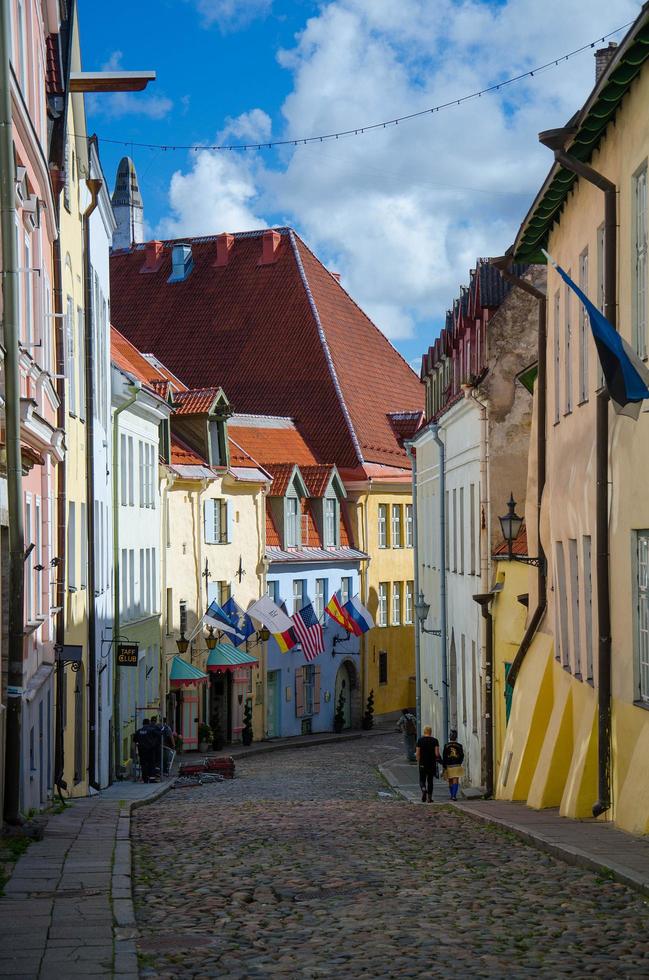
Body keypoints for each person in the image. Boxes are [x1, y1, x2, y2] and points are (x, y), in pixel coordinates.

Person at [416, 725, 441, 802]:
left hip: (423, 763)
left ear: (424, 732)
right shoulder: (435, 741)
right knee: (430, 780)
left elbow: (417, 753)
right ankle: (429, 798)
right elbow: (437, 754)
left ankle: (423, 789)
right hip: (431, 763)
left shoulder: (420, 741)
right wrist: (439, 760)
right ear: (430, 732)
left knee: (422, 779)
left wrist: (418, 761)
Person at [133, 718, 160, 783]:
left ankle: (145, 779)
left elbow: (134, 741)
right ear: (149, 723)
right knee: (151, 764)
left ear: (143, 724)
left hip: (141, 751)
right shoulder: (151, 730)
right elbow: (159, 734)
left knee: (143, 764)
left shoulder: (138, 731)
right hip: (150, 750)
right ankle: (152, 778)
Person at [442, 729, 465, 801]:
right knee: (456, 780)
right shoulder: (459, 745)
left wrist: (444, 765)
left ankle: (452, 794)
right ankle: (454, 796)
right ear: (456, 737)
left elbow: (444, 756)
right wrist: (460, 762)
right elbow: (462, 755)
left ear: (449, 737)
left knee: (450, 781)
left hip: (449, 765)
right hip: (457, 765)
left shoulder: (446, 746)